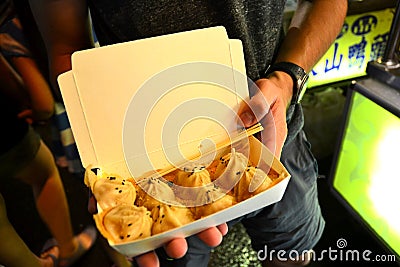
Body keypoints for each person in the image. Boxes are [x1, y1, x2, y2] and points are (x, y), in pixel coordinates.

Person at [29, 1, 347, 267]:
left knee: (293, 253)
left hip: (275, 129)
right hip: (151, 165)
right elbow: (66, 48)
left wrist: (287, 78)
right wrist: (106, 145)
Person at [0, 4, 97, 267]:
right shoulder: (82, 14)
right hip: (91, 113)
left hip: (66, 124)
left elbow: (43, 102)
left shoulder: (10, 32)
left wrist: (34, 111)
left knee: (94, 189)